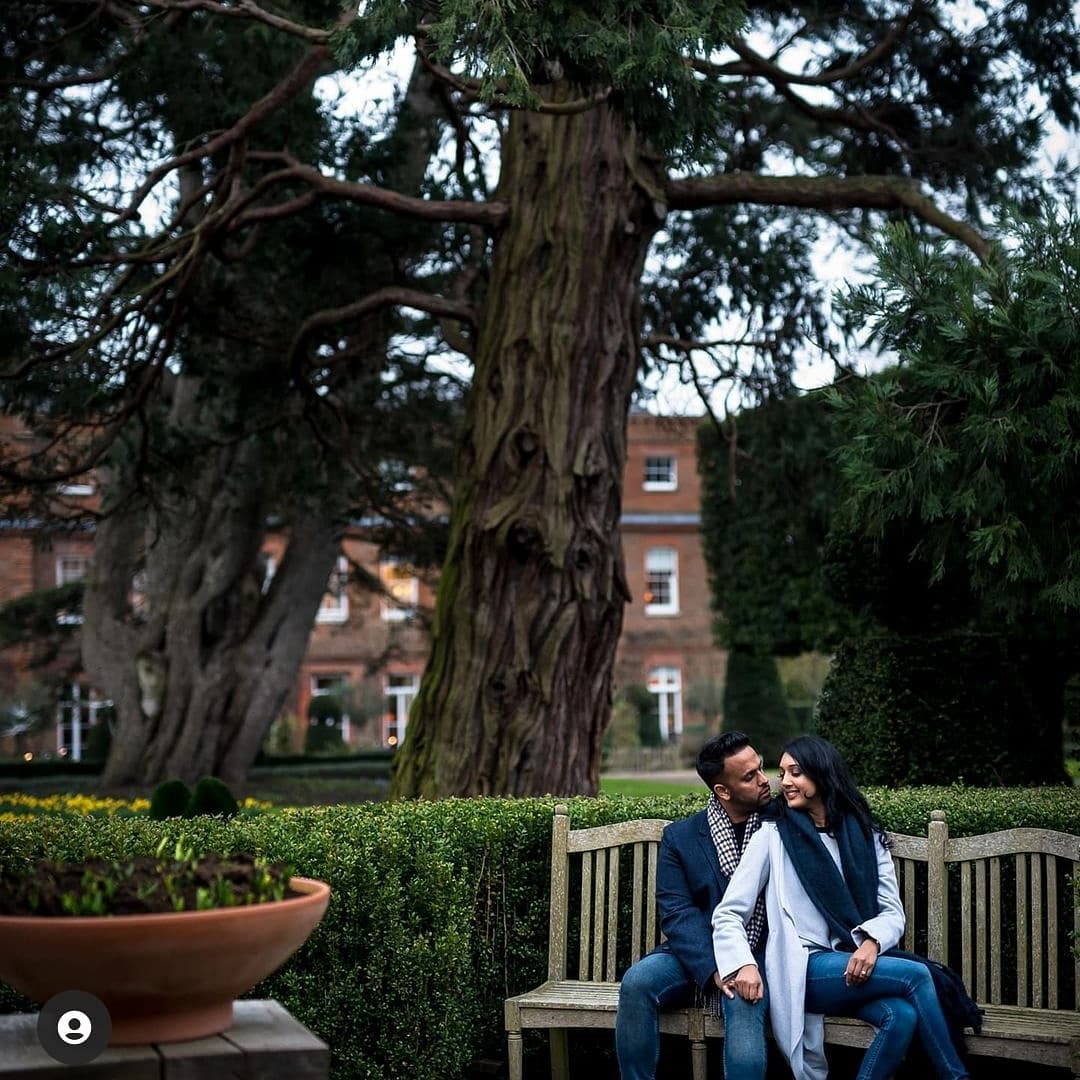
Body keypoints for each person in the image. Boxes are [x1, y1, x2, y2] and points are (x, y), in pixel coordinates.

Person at [712, 734, 976, 1080]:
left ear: (821, 776)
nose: (784, 781)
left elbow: (891, 911)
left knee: (902, 1017)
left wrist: (871, 943)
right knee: (916, 974)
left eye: (796, 773)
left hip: (856, 964)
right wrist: (742, 963)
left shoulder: (864, 834)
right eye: (784, 773)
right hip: (805, 967)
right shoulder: (774, 834)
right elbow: (729, 912)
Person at [615, 731, 774, 1080]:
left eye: (761, 768)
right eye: (750, 776)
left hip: (758, 952)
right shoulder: (681, 837)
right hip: (694, 954)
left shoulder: (781, 826)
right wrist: (717, 967)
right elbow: (677, 912)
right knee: (638, 982)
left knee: (744, 1002)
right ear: (722, 791)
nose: (765, 780)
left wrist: (740, 963)